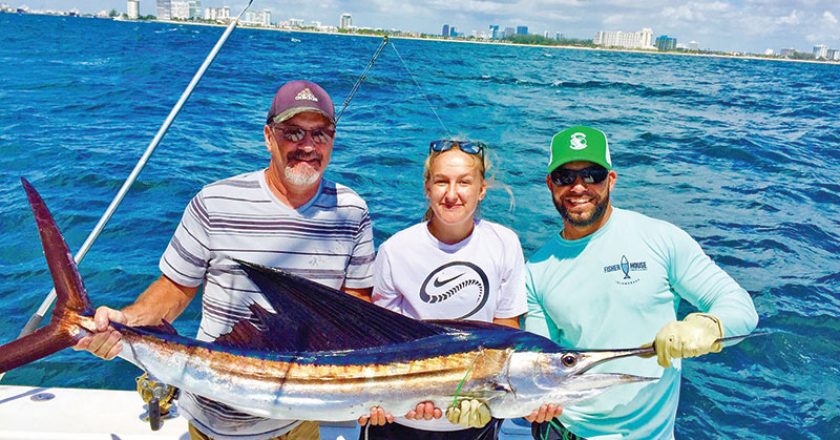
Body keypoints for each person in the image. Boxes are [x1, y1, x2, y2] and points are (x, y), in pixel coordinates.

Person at [74, 80, 376, 440]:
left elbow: (355, 308)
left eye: (321, 134)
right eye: (293, 132)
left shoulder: (352, 212)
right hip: (213, 419)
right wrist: (127, 321)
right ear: (268, 137)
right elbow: (175, 289)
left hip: (300, 419)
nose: (308, 146)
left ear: (332, 140)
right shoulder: (214, 202)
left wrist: (374, 388)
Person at [524, 126, 759, 439]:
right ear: (550, 184)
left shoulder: (661, 239)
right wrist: (523, 403)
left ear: (611, 180)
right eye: (565, 177)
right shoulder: (536, 269)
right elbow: (541, 365)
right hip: (565, 430)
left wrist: (706, 327)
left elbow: (740, 307)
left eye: (592, 175)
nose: (578, 187)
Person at [358, 140, 528, 439]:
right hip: (402, 417)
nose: (452, 194)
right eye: (441, 182)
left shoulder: (505, 243)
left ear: (481, 189)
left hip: (471, 421)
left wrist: (483, 397)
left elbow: (506, 330)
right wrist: (385, 402)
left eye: (464, 182)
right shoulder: (395, 249)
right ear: (427, 187)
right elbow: (380, 342)